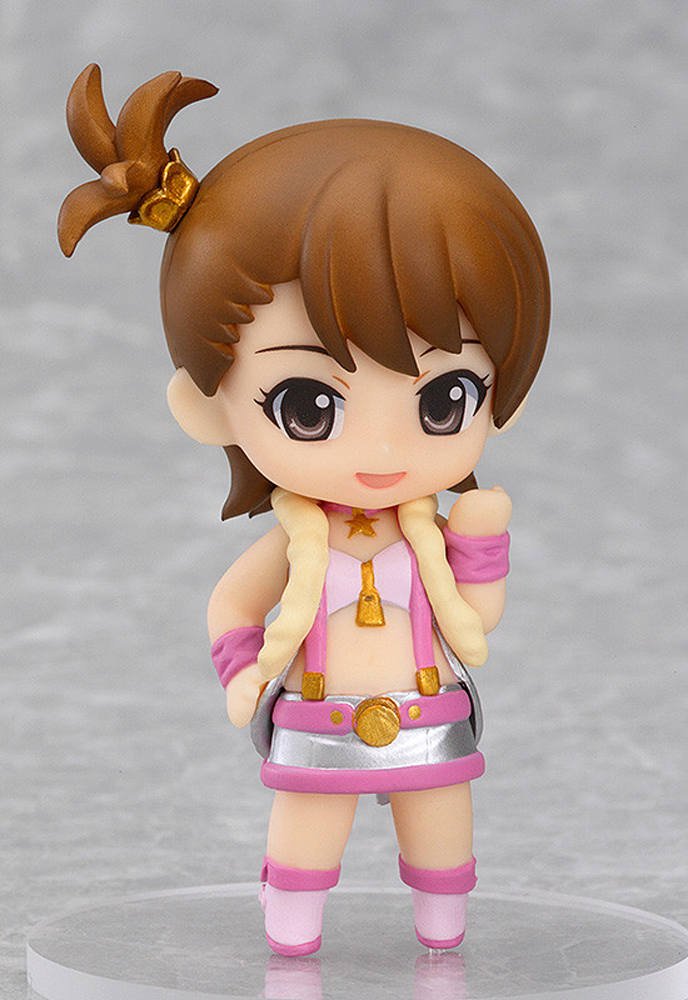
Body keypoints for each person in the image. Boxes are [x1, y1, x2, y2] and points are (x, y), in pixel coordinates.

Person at [59, 64, 550, 956]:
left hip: (429, 713)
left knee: (443, 843)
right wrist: (242, 673)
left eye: (444, 399)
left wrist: (482, 546)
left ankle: (443, 927)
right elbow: (232, 605)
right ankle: (292, 930)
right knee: (304, 844)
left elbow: (475, 619)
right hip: (316, 720)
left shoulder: (429, 538)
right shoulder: (297, 541)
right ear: (209, 406)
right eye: (310, 405)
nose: (385, 449)